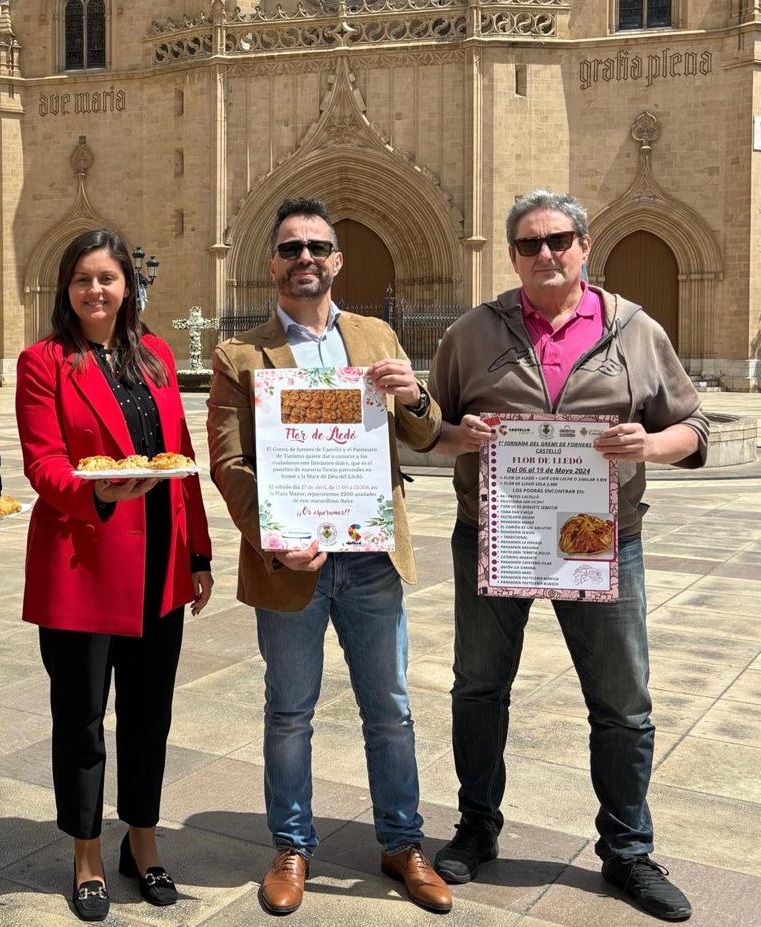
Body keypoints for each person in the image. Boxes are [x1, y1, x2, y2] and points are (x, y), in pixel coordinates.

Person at [426, 190, 706, 923]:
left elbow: (693, 424)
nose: (544, 253)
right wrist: (465, 436)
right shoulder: (471, 332)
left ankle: (628, 850)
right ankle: (476, 827)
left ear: (584, 244)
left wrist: (649, 444)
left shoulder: (633, 329)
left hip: (602, 539)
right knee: (479, 689)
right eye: (528, 244)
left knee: (622, 703)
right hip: (498, 532)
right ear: (512, 254)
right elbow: (432, 425)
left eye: (558, 239)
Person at [206, 197, 451, 916]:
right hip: (293, 562)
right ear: (271, 263)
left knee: (392, 708)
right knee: (289, 710)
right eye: (290, 249)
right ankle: (291, 844)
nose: (304, 258)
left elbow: (423, 434)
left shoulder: (378, 334)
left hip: (371, 555)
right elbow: (228, 462)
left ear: (337, 260)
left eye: (317, 246)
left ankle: (403, 842)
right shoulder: (240, 353)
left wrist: (415, 397)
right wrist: (273, 535)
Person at [15, 229, 214, 922]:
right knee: (81, 719)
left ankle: (145, 842)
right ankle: (88, 852)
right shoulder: (44, 362)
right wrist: (97, 491)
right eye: (82, 280)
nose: (95, 290)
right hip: (85, 560)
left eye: (107, 277)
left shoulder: (156, 354)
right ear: (66, 290)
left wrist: (199, 554)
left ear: (128, 284)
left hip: (161, 559)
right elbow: (42, 463)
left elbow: (180, 455)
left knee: (149, 713)